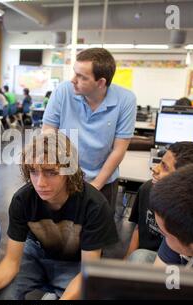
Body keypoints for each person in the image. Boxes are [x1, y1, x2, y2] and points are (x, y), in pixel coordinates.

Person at [0, 131, 118, 300]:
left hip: (76, 263)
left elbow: (88, 273)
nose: (40, 183)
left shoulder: (94, 205)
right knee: (3, 296)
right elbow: (12, 262)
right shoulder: (23, 199)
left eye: (51, 172)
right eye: (34, 172)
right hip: (35, 255)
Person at [42, 48, 136, 211]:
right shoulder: (63, 91)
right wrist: (58, 175)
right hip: (64, 176)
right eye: (74, 73)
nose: (73, 80)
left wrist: (96, 185)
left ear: (101, 83)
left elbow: (119, 149)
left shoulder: (126, 100)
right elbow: (48, 133)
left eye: (81, 77)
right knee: (62, 230)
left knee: (98, 232)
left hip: (103, 180)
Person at [125, 142, 193, 263]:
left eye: (164, 167)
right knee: (139, 257)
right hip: (156, 257)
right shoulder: (148, 189)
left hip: (189, 264)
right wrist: (127, 259)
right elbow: (139, 226)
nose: (154, 168)